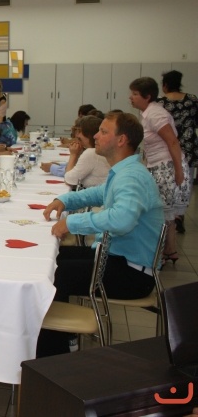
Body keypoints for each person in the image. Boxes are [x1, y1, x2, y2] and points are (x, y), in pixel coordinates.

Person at [39, 112, 164, 356]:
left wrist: (72, 223)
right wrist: (64, 200)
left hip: (132, 274)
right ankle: (62, 342)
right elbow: (97, 194)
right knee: (53, 260)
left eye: (104, 132)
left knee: (53, 275)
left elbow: (122, 219)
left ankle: (53, 356)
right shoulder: (125, 171)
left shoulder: (132, 177)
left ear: (121, 140)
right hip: (118, 258)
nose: (96, 135)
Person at [129, 77, 189, 264]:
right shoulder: (148, 113)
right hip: (160, 166)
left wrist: (178, 171)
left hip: (167, 167)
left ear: (147, 96)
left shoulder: (155, 114)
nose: (131, 97)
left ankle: (160, 253)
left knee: (161, 213)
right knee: (165, 213)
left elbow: (172, 142)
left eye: (135, 94)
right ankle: (170, 250)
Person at [159, 70, 197, 234]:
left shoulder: (160, 103)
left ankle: (168, 215)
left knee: (167, 182)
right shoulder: (192, 100)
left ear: (165, 85)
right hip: (187, 147)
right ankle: (180, 215)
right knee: (186, 181)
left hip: (166, 147)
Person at [42, 115, 109, 188]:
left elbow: (69, 180)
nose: (77, 141)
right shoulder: (99, 151)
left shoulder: (91, 153)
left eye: (79, 138)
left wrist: (73, 155)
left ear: (90, 136)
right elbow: (77, 168)